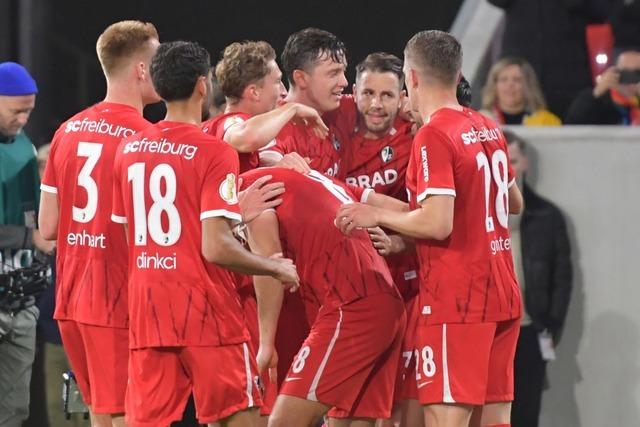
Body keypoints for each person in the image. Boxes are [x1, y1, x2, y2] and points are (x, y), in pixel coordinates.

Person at [335, 30, 524, 427]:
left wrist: (378, 216)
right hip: (503, 291)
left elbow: (437, 223)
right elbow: (513, 203)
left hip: (458, 299)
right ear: (457, 76)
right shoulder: (487, 126)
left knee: (445, 419)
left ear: (413, 77)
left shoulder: (433, 135)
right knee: (494, 420)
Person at [111, 40, 299, 427]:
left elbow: (133, 237)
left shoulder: (127, 151)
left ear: (159, 87)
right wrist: (272, 267)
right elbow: (215, 247)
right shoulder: (215, 152)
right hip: (206, 311)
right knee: (239, 418)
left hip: (149, 310)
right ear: (203, 85)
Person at [37, 21, 161, 427]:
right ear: (141, 70)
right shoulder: (146, 138)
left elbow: (48, 226)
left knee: (99, 411)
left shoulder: (65, 131)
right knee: (127, 411)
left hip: (71, 297)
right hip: (118, 299)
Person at [240, 167, 405, 427]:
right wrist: (398, 243)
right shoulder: (315, 178)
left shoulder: (252, 188)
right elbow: (408, 211)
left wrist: (266, 344)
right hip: (387, 303)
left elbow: (271, 265)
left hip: (352, 306)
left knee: (284, 423)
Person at [503, 130, 573, 427]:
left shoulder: (547, 216)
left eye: (513, 161)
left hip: (530, 332)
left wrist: (552, 328)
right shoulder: (470, 212)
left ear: (526, 164)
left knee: (526, 415)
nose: (507, 169)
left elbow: (562, 278)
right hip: (487, 333)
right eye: (501, 161)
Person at [0, 60, 53, 427]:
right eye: (16, 110)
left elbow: (32, 213)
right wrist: (28, 237)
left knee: (16, 410)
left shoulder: (24, 146)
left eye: (28, 111)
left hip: (20, 298)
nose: (23, 118)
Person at [203, 40, 326, 173]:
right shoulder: (230, 123)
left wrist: (275, 167)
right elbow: (247, 138)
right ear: (254, 92)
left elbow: (260, 157)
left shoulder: (252, 128)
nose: (283, 91)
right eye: (277, 82)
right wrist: (292, 108)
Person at [259, 27, 349, 177]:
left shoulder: (342, 109)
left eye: (343, 71)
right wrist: (277, 165)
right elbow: (266, 159)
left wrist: (401, 107)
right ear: (301, 78)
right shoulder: (274, 127)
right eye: (334, 73)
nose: (344, 82)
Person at [565, 48, 640, 125]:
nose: (632, 80)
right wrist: (597, 92)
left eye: (637, 73)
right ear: (614, 72)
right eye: (626, 73)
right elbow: (572, 123)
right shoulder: (599, 99)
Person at [481, 57, 561, 126]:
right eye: (504, 79)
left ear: (528, 86)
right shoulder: (480, 120)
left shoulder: (547, 121)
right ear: (494, 85)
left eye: (517, 80)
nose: (510, 85)